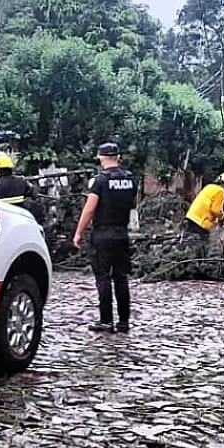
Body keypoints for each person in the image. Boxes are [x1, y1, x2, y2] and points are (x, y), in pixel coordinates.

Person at [73, 142, 137, 333]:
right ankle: (124, 321)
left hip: (102, 234)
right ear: (118, 157)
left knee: (102, 278)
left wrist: (79, 232)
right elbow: (132, 204)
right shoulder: (130, 179)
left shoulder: (99, 181)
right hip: (122, 234)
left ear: (101, 158)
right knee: (121, 277)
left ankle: (106, 321)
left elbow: (90, 208)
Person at [180, 172, 224, 254]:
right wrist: (223, 219)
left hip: (191, 216)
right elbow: (216, 210)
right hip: (201, 221)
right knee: (203, 245)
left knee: (189, 242)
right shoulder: (220, 191)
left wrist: (220, 219)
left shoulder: (209, 187)